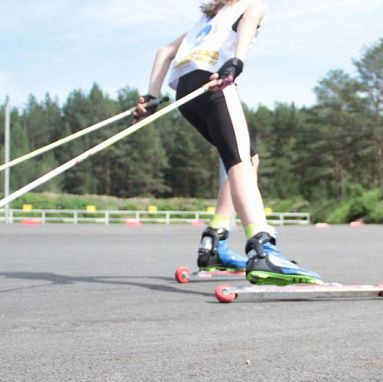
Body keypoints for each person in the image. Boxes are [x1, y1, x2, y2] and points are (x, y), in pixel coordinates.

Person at [133, 0, 322, 285]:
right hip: (214, 83)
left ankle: (215, 242)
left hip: (185, 92)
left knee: (247, 158)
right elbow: (249, 22)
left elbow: (165, 52)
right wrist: (237, 61)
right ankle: (262, 248)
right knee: (241, 162)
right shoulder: (253, 4)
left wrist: (152, 96)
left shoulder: (204, 24)